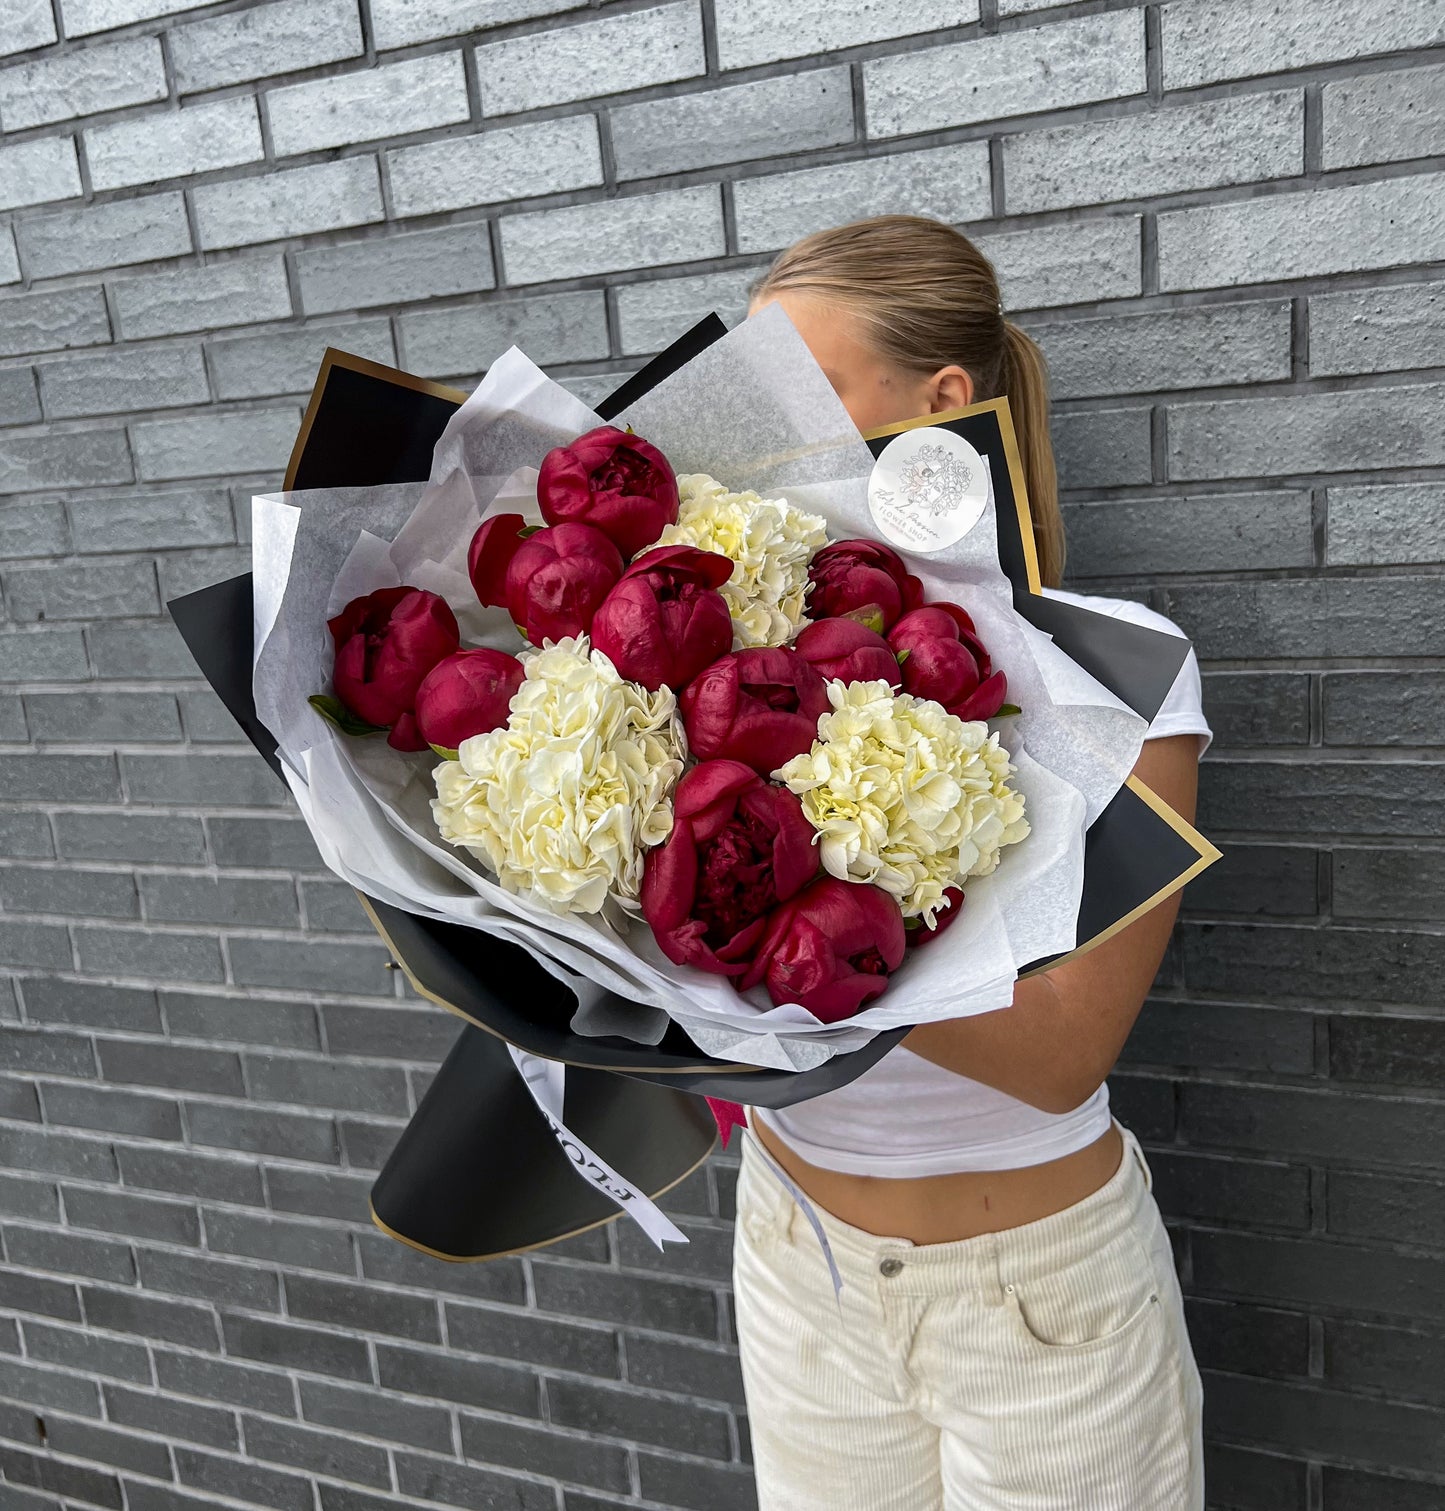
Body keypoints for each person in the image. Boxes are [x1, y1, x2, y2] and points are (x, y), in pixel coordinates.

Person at [733, 215, 1211, 1510]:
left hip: (1038, 1305)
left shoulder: (1118, 672)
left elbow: (1062, 1054)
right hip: (795, 1258)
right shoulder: (735, 672)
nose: (766, 430)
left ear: (939, 403)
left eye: (809, 389)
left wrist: (759, 922)